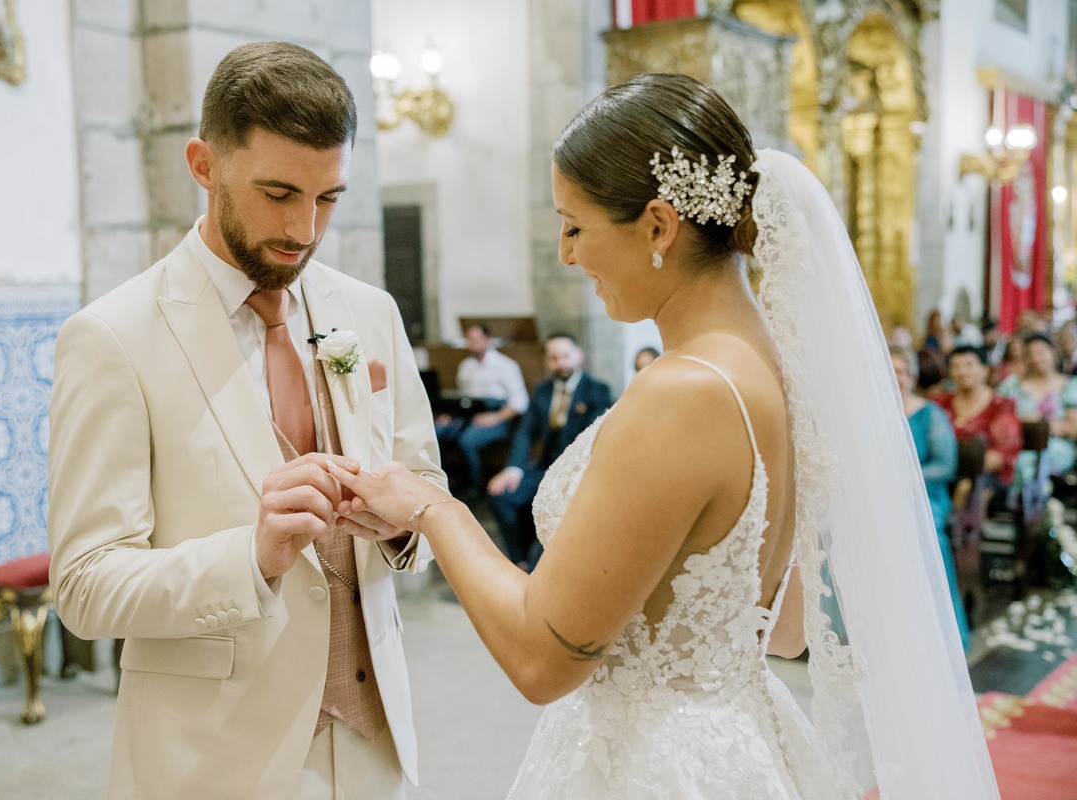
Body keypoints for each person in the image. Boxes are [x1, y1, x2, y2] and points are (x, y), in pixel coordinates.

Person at [328, 74, 997, 797]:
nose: (566, 254)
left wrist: (433, 508)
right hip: (739, 737)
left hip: (657, 766)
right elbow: (785, 629)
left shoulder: (686, 392)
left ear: (657, 225)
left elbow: (541, 660)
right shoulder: (781, 368)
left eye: (576, 225)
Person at [47, 42, 444, 799]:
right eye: (278, 192)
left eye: (329, 197)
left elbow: (424, 485)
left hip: (375, 744)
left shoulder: (370, 312)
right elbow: (85, 587)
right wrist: (253, 555)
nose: (305, 229)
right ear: (204, 164)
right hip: (214, 759)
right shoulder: (112, 338)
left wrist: (398, 526)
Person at [487, 333, 613, 571]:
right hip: (545, 468)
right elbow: (525, 432)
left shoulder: (598, 391)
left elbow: (599, 438)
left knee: (555, 507)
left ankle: (541, 569)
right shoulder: (542, 391)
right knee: (501, 495)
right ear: (547, 360)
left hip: (579, 473)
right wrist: (513, 469)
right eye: (554, 358)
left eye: (565, 356)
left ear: (578, 355)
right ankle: (520, 561)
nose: (561, 363)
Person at [890, 345, 969, 649]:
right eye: (891, 370)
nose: (896, 377)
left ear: (912, 375)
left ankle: (938, 633)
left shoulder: (930, 413)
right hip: (885, 497)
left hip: (925, 497)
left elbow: (945, 465)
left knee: (918, 532)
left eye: (902, 371)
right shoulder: (874, 413)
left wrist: (909, 478)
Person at [434, 324, 529, 496]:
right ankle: (441, 483)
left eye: (477, 339)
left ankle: (474, 487)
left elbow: (520, 402)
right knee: (437, 431)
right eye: (469, 340)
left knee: (467, 441)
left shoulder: (505, 365)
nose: (473, 344)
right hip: (468, 414)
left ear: (487, 340)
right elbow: (463, 397)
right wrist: (451, 415)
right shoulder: (466, 366)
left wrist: (496, 417)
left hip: (498, 416)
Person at [938, 345, 1022, 495]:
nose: (962, 371)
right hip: (945, 474)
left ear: (984, 370)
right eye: (955, 366)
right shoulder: (941, 403)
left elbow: (1000, 455)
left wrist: (961, 469)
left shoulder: (1001, 406)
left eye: (969, 365)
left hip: (987, 478)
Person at [997, 332, 1077, 485]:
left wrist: (1043, 425)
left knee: (1030, 464)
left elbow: (1074, 427)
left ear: (1053, 353)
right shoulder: (1011, 385)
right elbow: (998, 417)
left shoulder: (1070, 386)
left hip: (1054, 447)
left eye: (1041, 352)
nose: (1036, 358)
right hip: (1016, 444)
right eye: (1029, 354)